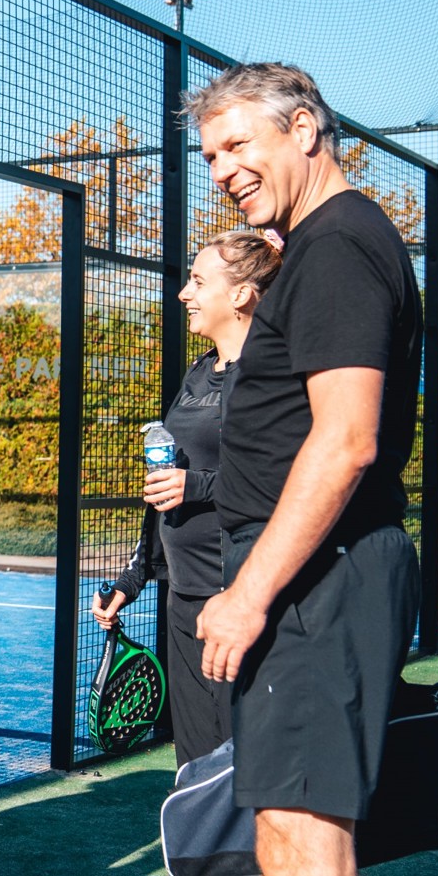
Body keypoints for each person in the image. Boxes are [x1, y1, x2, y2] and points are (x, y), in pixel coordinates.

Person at [187, 63, 423, 876]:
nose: (222, 171)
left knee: (305, 826)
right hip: (307, 573)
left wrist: (250, 594)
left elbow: (347, 439)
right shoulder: (321, 245)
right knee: (284, 815)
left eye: (237, 145)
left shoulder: (339, 247)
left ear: (305, 131)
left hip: (319, 577)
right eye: (212, 156)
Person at [92, 229, 281, 766]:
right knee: (197, 763)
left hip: (241, 600)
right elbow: (167, 479)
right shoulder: (199, 371)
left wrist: (195, 486)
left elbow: (290, 482)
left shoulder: (274, 375)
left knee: (250, 761)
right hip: (184, 598)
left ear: (242, 294)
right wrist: (135, 577)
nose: (184, 293)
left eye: (199, 281)